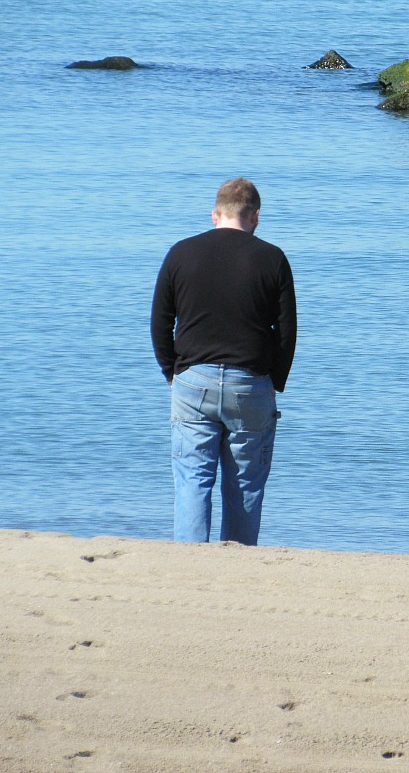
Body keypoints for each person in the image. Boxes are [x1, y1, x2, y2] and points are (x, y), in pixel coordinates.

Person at [151, 178, 297, 545]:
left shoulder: (180, 253)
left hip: (192, 380)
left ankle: (190, 560)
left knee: (193, 477)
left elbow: (159, 321)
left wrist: (172, 371)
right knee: (245, 483)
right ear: (256, 216)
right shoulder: (273, 258)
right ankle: (238, 560)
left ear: (215, 214)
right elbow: (287, 331)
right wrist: (274, 380)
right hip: (249, 382)